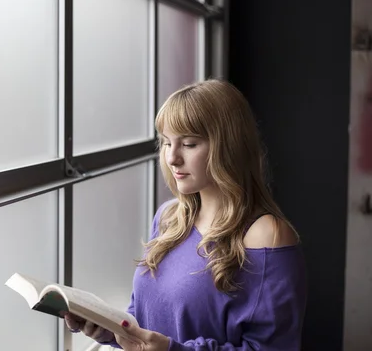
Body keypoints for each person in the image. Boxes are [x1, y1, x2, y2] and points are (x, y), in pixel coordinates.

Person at [64, 80, 307, 350]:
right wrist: (108, 329)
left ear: (229, 147)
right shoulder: (169, 217)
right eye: (167, 143)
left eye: (189, 144)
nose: (172, 158)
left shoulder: (267, 236)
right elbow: (145, 318)